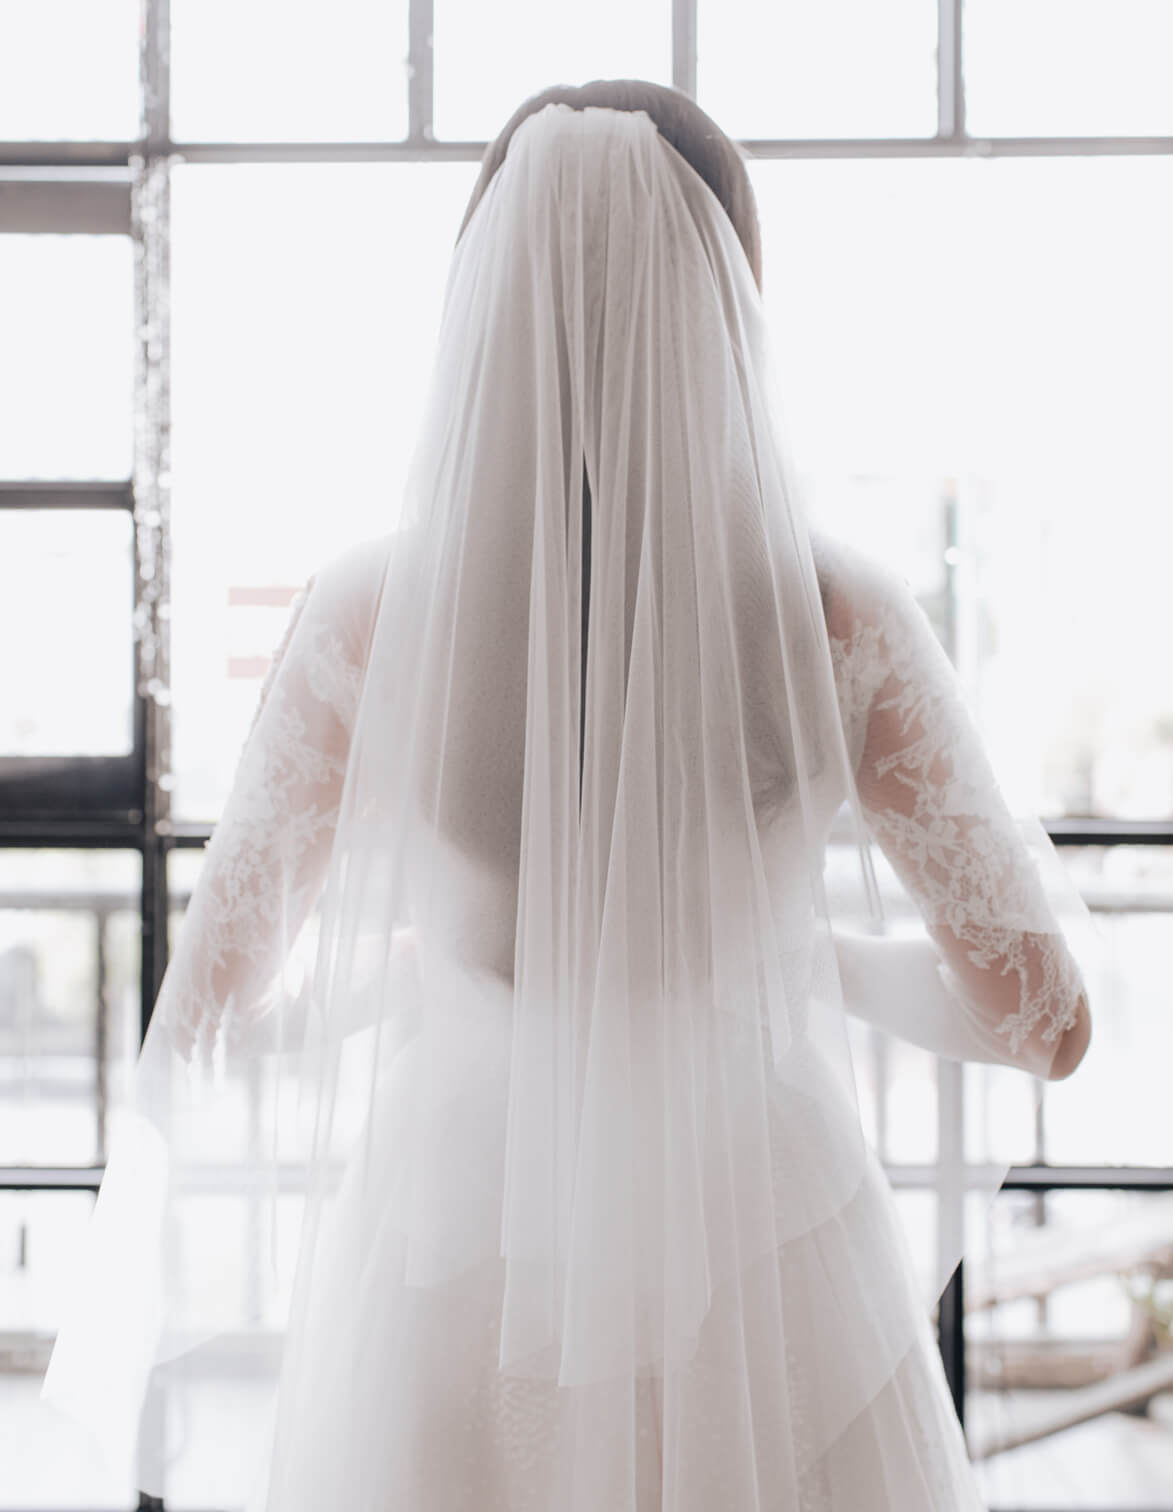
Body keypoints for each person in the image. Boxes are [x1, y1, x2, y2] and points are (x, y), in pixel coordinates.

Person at [43, 80, 1091, 1511]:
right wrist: (813, 960)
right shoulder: (835, 612)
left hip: (453, 1251)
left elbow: (210, 1023)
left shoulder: (367, 617)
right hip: (765, 1248)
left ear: (484, 300)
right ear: (727, 298)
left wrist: (418, 981)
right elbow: (1044, 1022)